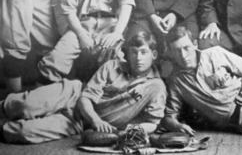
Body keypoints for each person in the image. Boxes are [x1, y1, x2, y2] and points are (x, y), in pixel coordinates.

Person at [0, 31, 166, 144]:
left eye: (144, 52)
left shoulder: (156, 87)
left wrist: (128, 131)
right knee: (23, 104)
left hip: (81, 122)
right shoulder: (112, 65)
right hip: (73, 94)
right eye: (134, 52)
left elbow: (152, 122)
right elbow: (85, 97)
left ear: (154, 55)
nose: (138, 58)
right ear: (127, 53)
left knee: (22, 133)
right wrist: (96, 120)